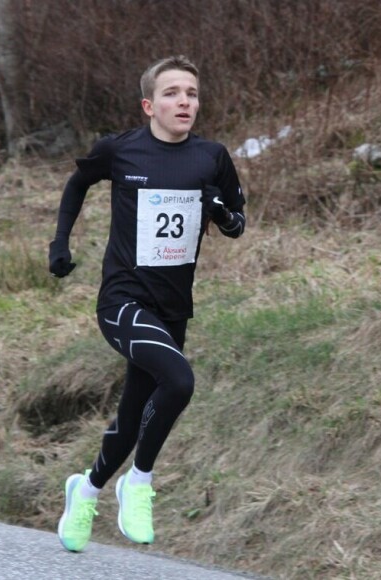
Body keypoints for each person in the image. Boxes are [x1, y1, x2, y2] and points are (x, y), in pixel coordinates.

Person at [49, 55, 246, 552]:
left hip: (172, 307)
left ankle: (87, 489)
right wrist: (60, 244)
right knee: (179, 380)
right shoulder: (120, 151)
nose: (184, 101)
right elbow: (77, 184)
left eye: (192, 93)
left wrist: (220, 210)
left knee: (134, 415)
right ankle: (139, 482)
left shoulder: (213, 157)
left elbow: (237, 222)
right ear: (148, 105)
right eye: (172, 93)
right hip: (122, 301)